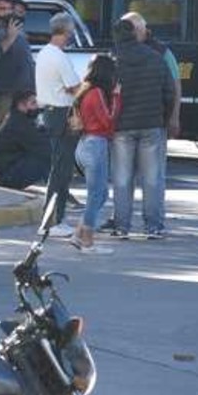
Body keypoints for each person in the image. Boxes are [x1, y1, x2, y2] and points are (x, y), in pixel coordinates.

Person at [110, 18, 174, 239]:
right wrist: (163, 119)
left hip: (121, 128)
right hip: (151, 125)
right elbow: (169, 92)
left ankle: (121, 227)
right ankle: (153, 227)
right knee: (152, 178)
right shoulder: (156, 59)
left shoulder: (114, 62)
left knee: (122, 178)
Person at [123, 11, 181, 221]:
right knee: (123, 177)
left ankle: (155, 220)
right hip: (126, 124)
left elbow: (175, 86)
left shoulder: (162, 52)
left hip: (154, 123)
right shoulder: (121, 50)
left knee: (153, 176)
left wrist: (174, 118)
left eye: (133, 30)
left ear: (143, 30)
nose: (129, 34)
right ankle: (121, 218)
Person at [35, 13, 83, 237]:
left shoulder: (45, 53)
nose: (72, 35)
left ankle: (54, 219)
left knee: (59, 168)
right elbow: (75, 87)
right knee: (61, 171)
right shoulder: (59, 57)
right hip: (62, 113)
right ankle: (54, 221)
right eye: (71, 31)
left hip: (51, 112)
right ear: (65, 31)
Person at [71, 54, 120, 253]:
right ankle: (87, 241)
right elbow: (108, 120)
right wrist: (116, 96)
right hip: (95, 144)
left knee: (100, 194)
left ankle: (78, 233)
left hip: (86, 143)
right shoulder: (98, 92)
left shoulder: (86, 90)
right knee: (96, 194)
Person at [0, 0, 34, 136]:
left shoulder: (15, 28)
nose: (6, 13)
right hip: (1, 92)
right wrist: (10, 37)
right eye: (2, 9)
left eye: (9, 9)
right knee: (3, 130)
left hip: (21, 91)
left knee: (18, 132)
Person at [0, 90, 51, 190]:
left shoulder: (18, 118)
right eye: (33, 103)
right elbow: (43, 145)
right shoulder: (18, 123)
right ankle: (57, 192)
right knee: (46, 157)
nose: (37, 107)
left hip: (6, 171)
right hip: (5, 176)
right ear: (21, 105)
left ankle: (57, 191)